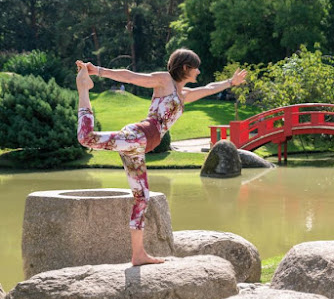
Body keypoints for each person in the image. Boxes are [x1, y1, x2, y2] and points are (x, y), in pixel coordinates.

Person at [75, 48, 247, 266]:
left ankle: (138, 255)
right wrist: (98, 71)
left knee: (142, 198)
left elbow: (209, 88)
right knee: (86, 138)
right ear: (186, 67)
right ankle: (83, 89)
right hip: (139, 136)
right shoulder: (165, 81)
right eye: (196, 67)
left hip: (139, 147)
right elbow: (132, 77)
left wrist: (230, 82)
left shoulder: (183, 94)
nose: (199, 71)